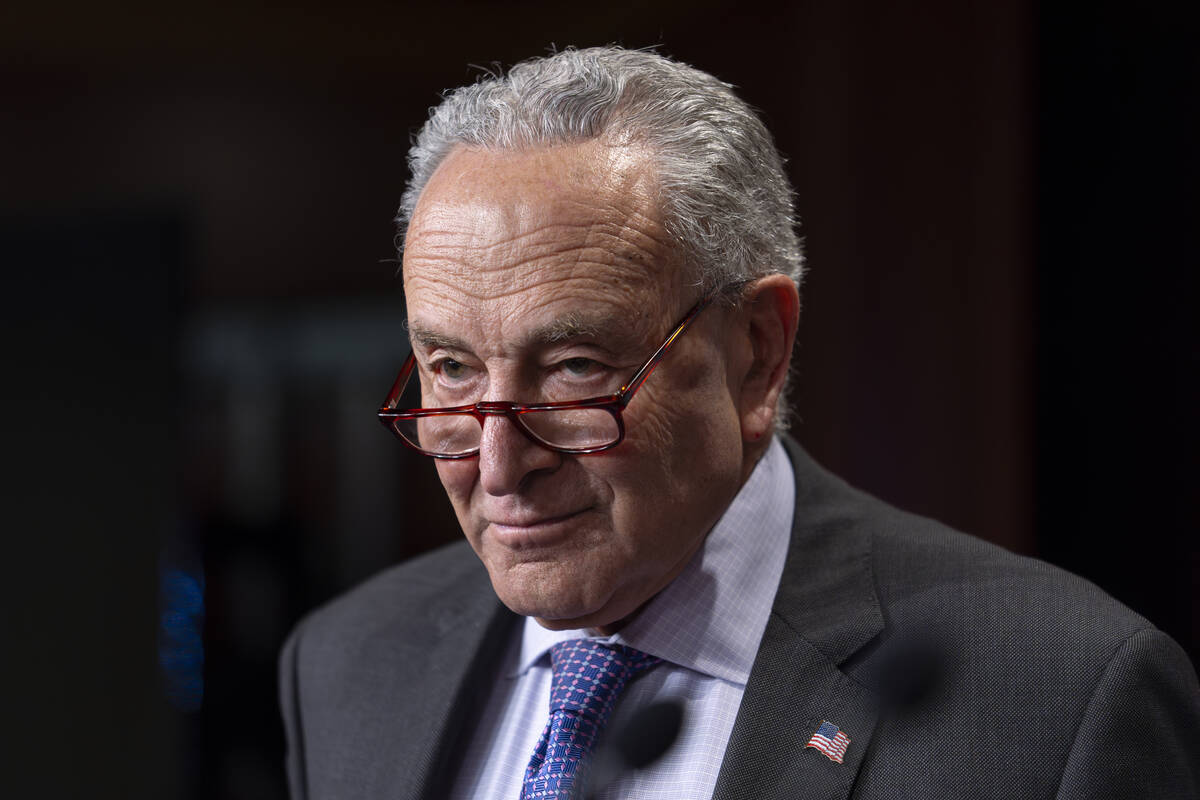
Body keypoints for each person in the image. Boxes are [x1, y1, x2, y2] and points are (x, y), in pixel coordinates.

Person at [278, 47, 1200, 799]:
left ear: (756, 351)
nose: (500, 462)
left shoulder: (1058, 700)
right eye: (451, 369)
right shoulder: (345, 668)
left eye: (573, 370)